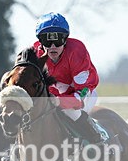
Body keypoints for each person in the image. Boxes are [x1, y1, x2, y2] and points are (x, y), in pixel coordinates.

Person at [32, 12, 103, 144]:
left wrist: (58, 101)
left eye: (58, 40)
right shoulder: (35, 54)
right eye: (47, 41)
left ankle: (97, 140)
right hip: (54, 92)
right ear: (40, 42)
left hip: (83, 92)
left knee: (70, 111)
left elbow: (80, 96)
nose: (53, 46)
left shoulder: (76, 51)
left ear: (65, 40)